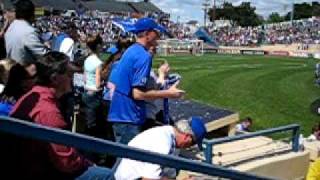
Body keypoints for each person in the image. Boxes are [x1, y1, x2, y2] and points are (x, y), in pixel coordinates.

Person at [1, 52, 112, 179]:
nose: (72, 79)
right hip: (39, 171)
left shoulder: (35, 95)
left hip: (31, 166)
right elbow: (66, 161)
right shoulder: (47, 111)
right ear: (54, 79)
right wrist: (89, 165)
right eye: (69, 75)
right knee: (105, 175)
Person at [108, 18, 185, 144]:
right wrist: (169, 93)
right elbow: (137, 94)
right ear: (148, 34)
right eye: (156, 32)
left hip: (120, 115)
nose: (159, 36)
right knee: (129, 160)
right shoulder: (143, 56)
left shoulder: (131, 50)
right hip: (129, 117)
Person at [115, 117, 207, 180]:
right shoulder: (163, 144)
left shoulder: (169, 133)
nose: (190, 146)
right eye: (193, 143)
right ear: (187, 137)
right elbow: (148, 179)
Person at [4, 0, 47, 66]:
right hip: (24, 73)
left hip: (12, 68)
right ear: (31, 14)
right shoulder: (29, 32)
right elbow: (45, 57)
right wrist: (47, 46)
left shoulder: (11, 27)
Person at [82, 34, 104, 136]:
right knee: (96, 124)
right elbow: (98, 83)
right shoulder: (98, 62)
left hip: (86, 91)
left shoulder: (87, 59)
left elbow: (85, 78)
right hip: (95, 94)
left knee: (89, 121)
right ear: (98, 46)